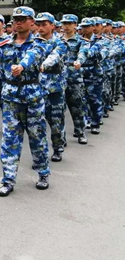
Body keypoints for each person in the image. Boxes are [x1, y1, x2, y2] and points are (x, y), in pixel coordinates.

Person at [0, 6, 49, 197]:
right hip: (10, 98)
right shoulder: (4, 45)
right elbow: (0, 70)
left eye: (23, 19)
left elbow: (32, 57)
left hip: (32, 97)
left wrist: (22, 66)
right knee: (9, 139)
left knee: (37, 136)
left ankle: (43, 173)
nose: (18, 22)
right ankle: (8, 179)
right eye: (16, 19)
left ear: (32, 22)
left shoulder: (39, 43)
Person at [35, 12, 69, 162]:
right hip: (38, 88)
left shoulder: (60, 43)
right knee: (37, 122)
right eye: (38, 24)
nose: (40, 27)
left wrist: (43, 65)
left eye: (44, 24)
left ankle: (57, 148)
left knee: (56, 121)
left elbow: (54, 57)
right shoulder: (34, 42)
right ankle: (40, 154)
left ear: (53, 26)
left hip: (55, 88)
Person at [60, 14, 89, 144]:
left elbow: (83, 53)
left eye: (69, 23)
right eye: (64, 23)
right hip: (58, 79)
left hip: (74, 78)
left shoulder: (81, 41)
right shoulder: (57, 40)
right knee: (58, 110)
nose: (66, 26)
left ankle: (80, 131)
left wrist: (79, 61)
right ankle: (60, 138)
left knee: (77, 107)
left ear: (75, 25)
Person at [79, 18, 106, 135]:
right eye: (83, 26)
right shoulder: (78, 40)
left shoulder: (100, 40)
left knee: (95, 100)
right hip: (80, 73)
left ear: (93, 27)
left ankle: (95, 123)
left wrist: (88, 51)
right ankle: (85, 122)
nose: (84, 29)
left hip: (94, 73)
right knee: (81, 100)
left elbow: (101, 54)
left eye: (87, 26)